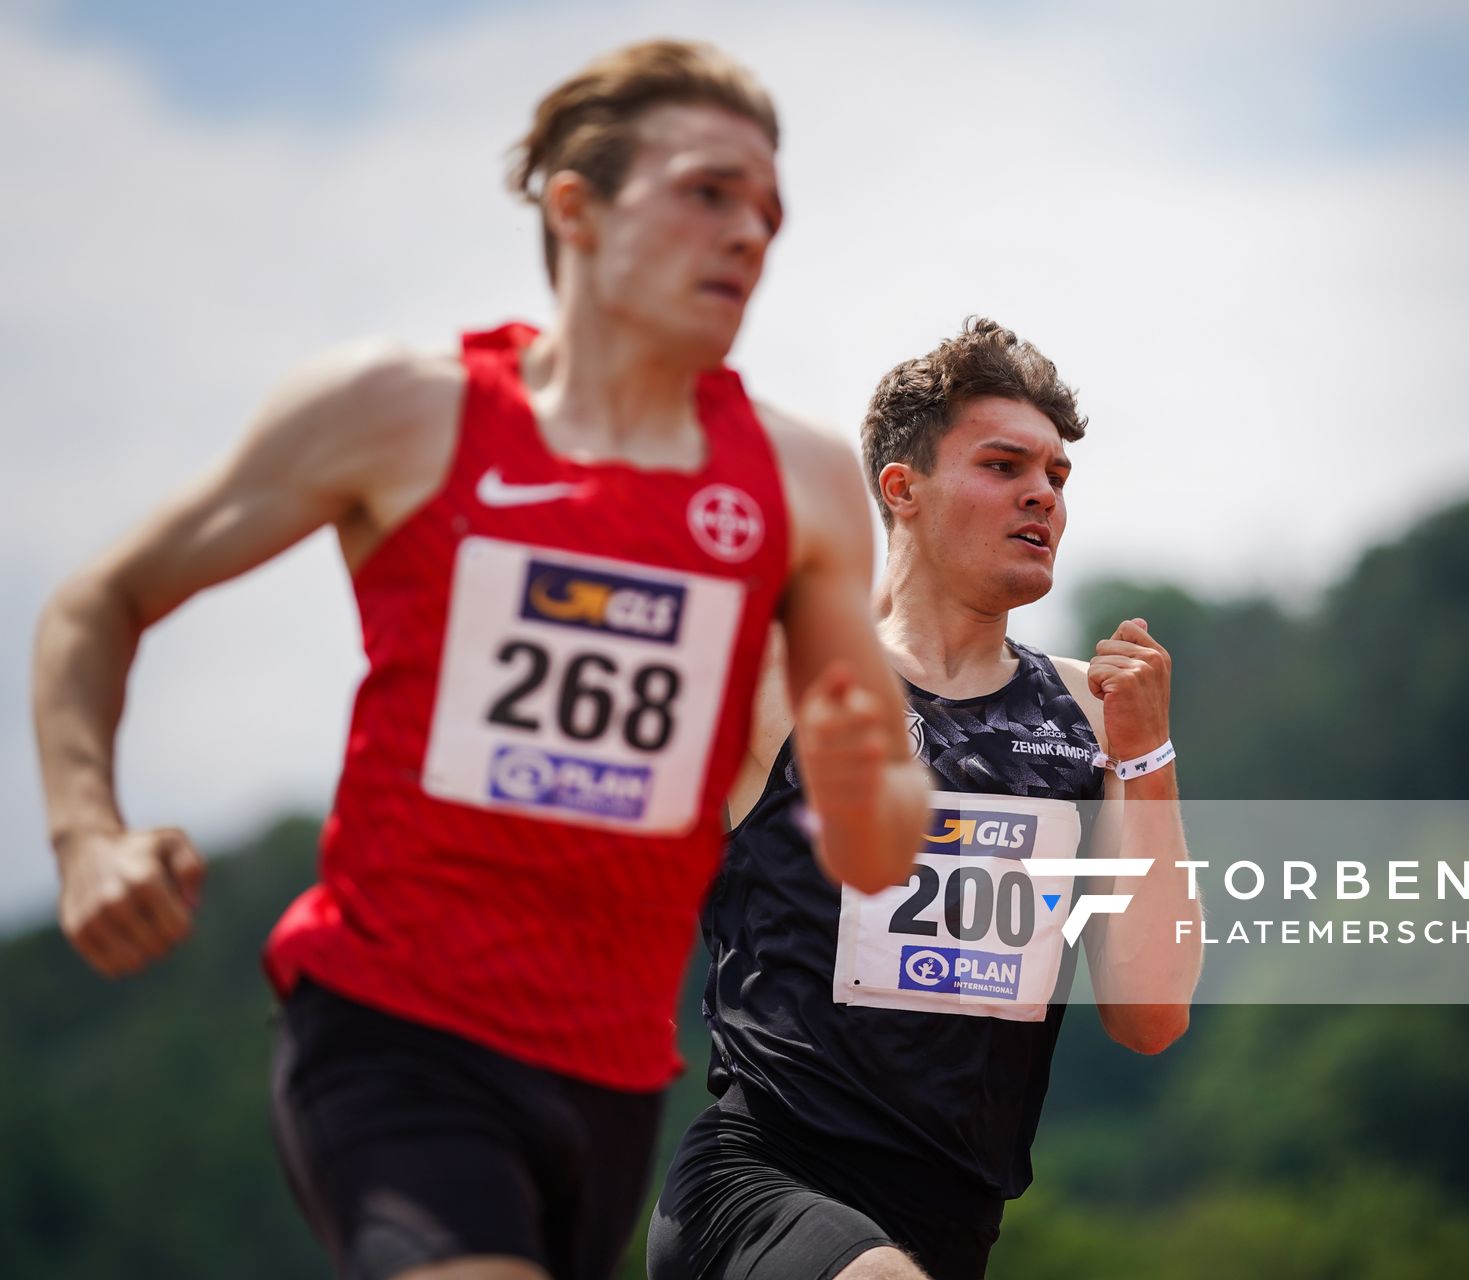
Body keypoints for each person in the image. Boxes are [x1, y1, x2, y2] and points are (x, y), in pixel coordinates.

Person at [31, 39, 928, 1280]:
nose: (749, 236)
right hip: (390, 1026)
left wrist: (855, 781)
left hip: (612, 1072)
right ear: (577, 204)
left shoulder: (795, 475)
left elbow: (882, 849)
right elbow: (102, 597)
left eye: (769, 212)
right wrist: (86, 834)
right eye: (707, 192)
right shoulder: (402, 411)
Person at [647, 317, 1204, 1280]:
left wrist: (1147, 754)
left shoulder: (1090, 715)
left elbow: (1149, 1015)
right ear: (902, 490)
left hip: (953, 1225)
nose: (1042, 493)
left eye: (1058, 477)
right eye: (1003, 465)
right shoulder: (789, 680)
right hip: (760, 1188)